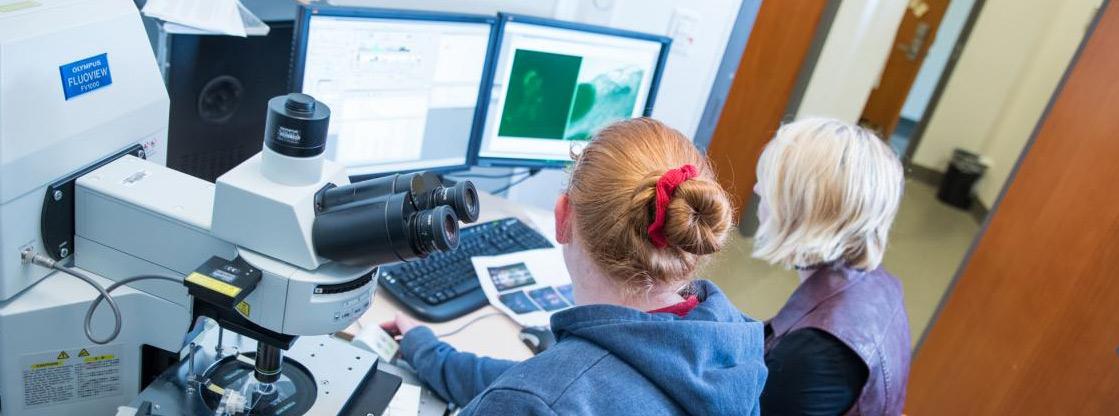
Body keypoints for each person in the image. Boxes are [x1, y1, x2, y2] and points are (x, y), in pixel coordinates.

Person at [383, 118, 768, 415]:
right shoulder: (731, 343)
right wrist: (428, 352)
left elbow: (542, 393)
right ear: (693, 235)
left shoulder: (541, 400)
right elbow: (551, 384)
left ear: (563, 217)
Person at [752, 118, 910, 415]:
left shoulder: (814, 354)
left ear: (801, 209)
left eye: (770, 183)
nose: (758, 188)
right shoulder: (880, 284)